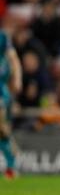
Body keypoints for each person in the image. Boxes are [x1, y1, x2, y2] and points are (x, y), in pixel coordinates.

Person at [0, 30, 22, 179]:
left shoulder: (2, 37)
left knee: (2, 127)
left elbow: (13, 58)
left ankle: (12, 165)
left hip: (2, 92)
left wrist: (17, 79)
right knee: (3, 132)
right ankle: (11, 165)